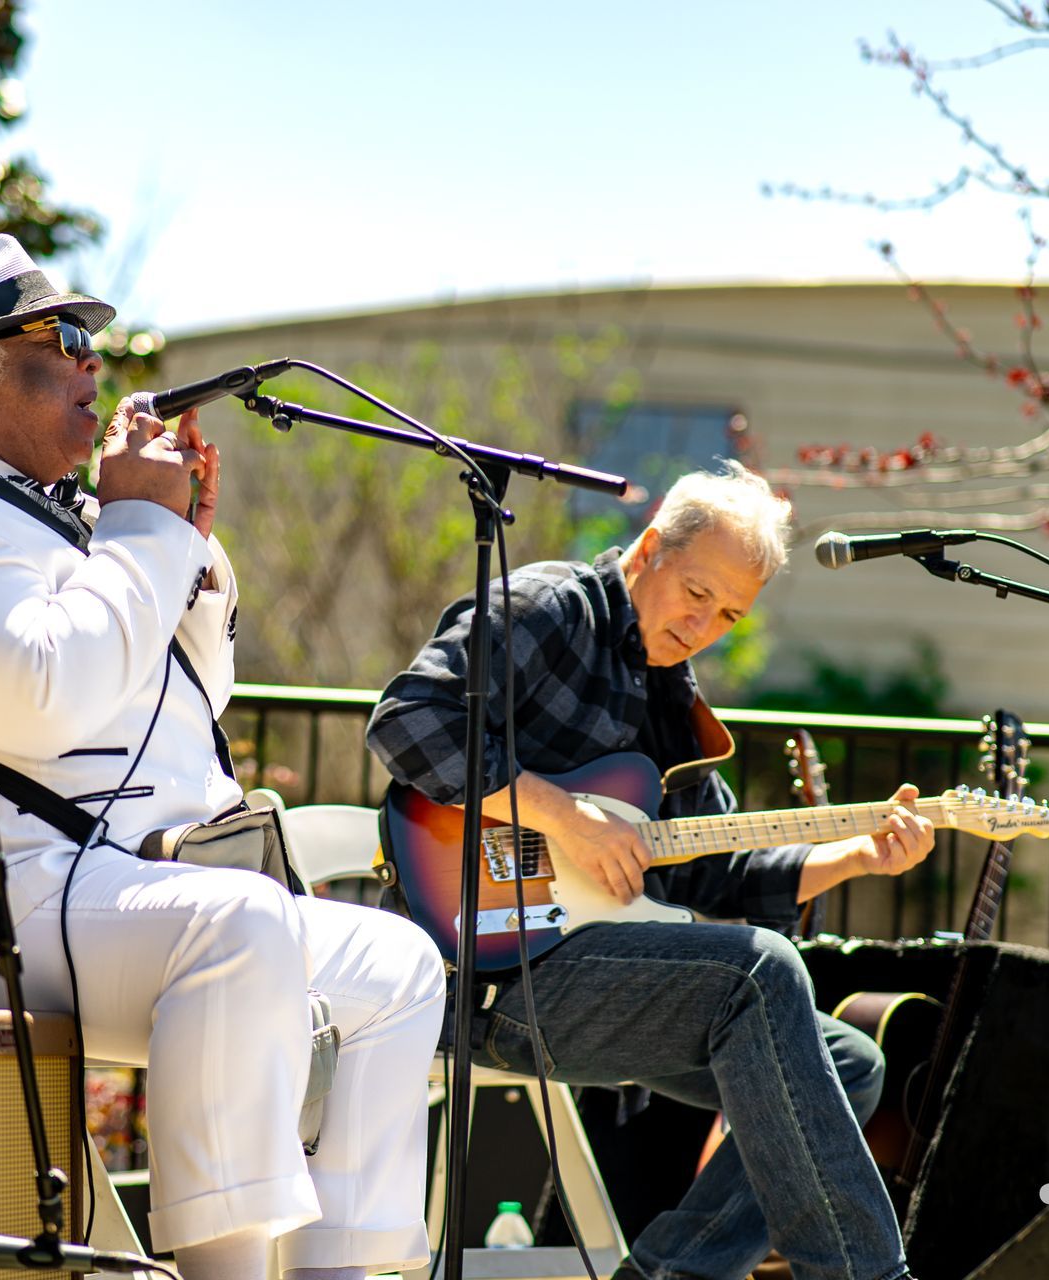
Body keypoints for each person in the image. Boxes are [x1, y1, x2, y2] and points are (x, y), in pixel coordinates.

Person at [0, 233, 445, 1280]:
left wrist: (185, 540)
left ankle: (338, 1270)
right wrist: (144, 532)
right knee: (236, 923)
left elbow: (192, 694)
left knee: (399, 961)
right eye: (63, 339)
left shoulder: (40, 513)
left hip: (112, 888)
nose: (95, 365)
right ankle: (225, 1270)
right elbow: (46, 695)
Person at [366, 462, 935, 1280]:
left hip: (595, 977)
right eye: (698, 593)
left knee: (853, 1063)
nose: (705, 624)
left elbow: (716, 867)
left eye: (731, 613)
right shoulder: (548, 607)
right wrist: (562, 814)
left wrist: (852, 856)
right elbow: (406, 719)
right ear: (648, 550)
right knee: (760, 970)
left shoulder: (675, 700)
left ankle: (671, 1272)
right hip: (482, 970)